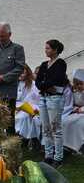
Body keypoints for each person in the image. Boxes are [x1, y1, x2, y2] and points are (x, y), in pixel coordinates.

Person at [0, 22, 25, 135]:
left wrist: (3, 78)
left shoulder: (17, 49)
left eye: (2, 36)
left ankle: (10, 147)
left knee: (8, 121)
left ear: (10, 34)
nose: (0, 38)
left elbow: (19, 68)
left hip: (8, 92)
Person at [35, 39, 69, 168]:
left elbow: (58, 79)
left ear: (55, 50)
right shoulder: (44, 64)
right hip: (43, 98)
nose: (46, 50)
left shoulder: (61, 63)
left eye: (48, 48)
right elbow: (38, 82)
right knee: (46, 128)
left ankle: (58, 157)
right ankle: (48, 156)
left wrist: (44, 85)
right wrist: (45, 87)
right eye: (46, 48)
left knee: (56, 129)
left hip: (55, 99)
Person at [15, 64, 40, 140]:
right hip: (17, 107)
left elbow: (34, 99)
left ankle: (25, 138)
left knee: (23, 117)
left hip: (28, 107)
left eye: (22, 73)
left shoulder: (33, 84)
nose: (20, 75)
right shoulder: (15, 84)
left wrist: (21, 107)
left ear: (27, 73)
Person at [63, 69, 84, 152]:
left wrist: (81, 109)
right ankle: (67, 144)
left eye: (81, 84)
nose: (79, 86)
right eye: (77, 84)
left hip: (82, 113)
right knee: (65, 121)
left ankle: (79, 146)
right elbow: (73, 104)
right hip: (77, 112)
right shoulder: (74, 92)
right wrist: (76, 109)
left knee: (79, 124)